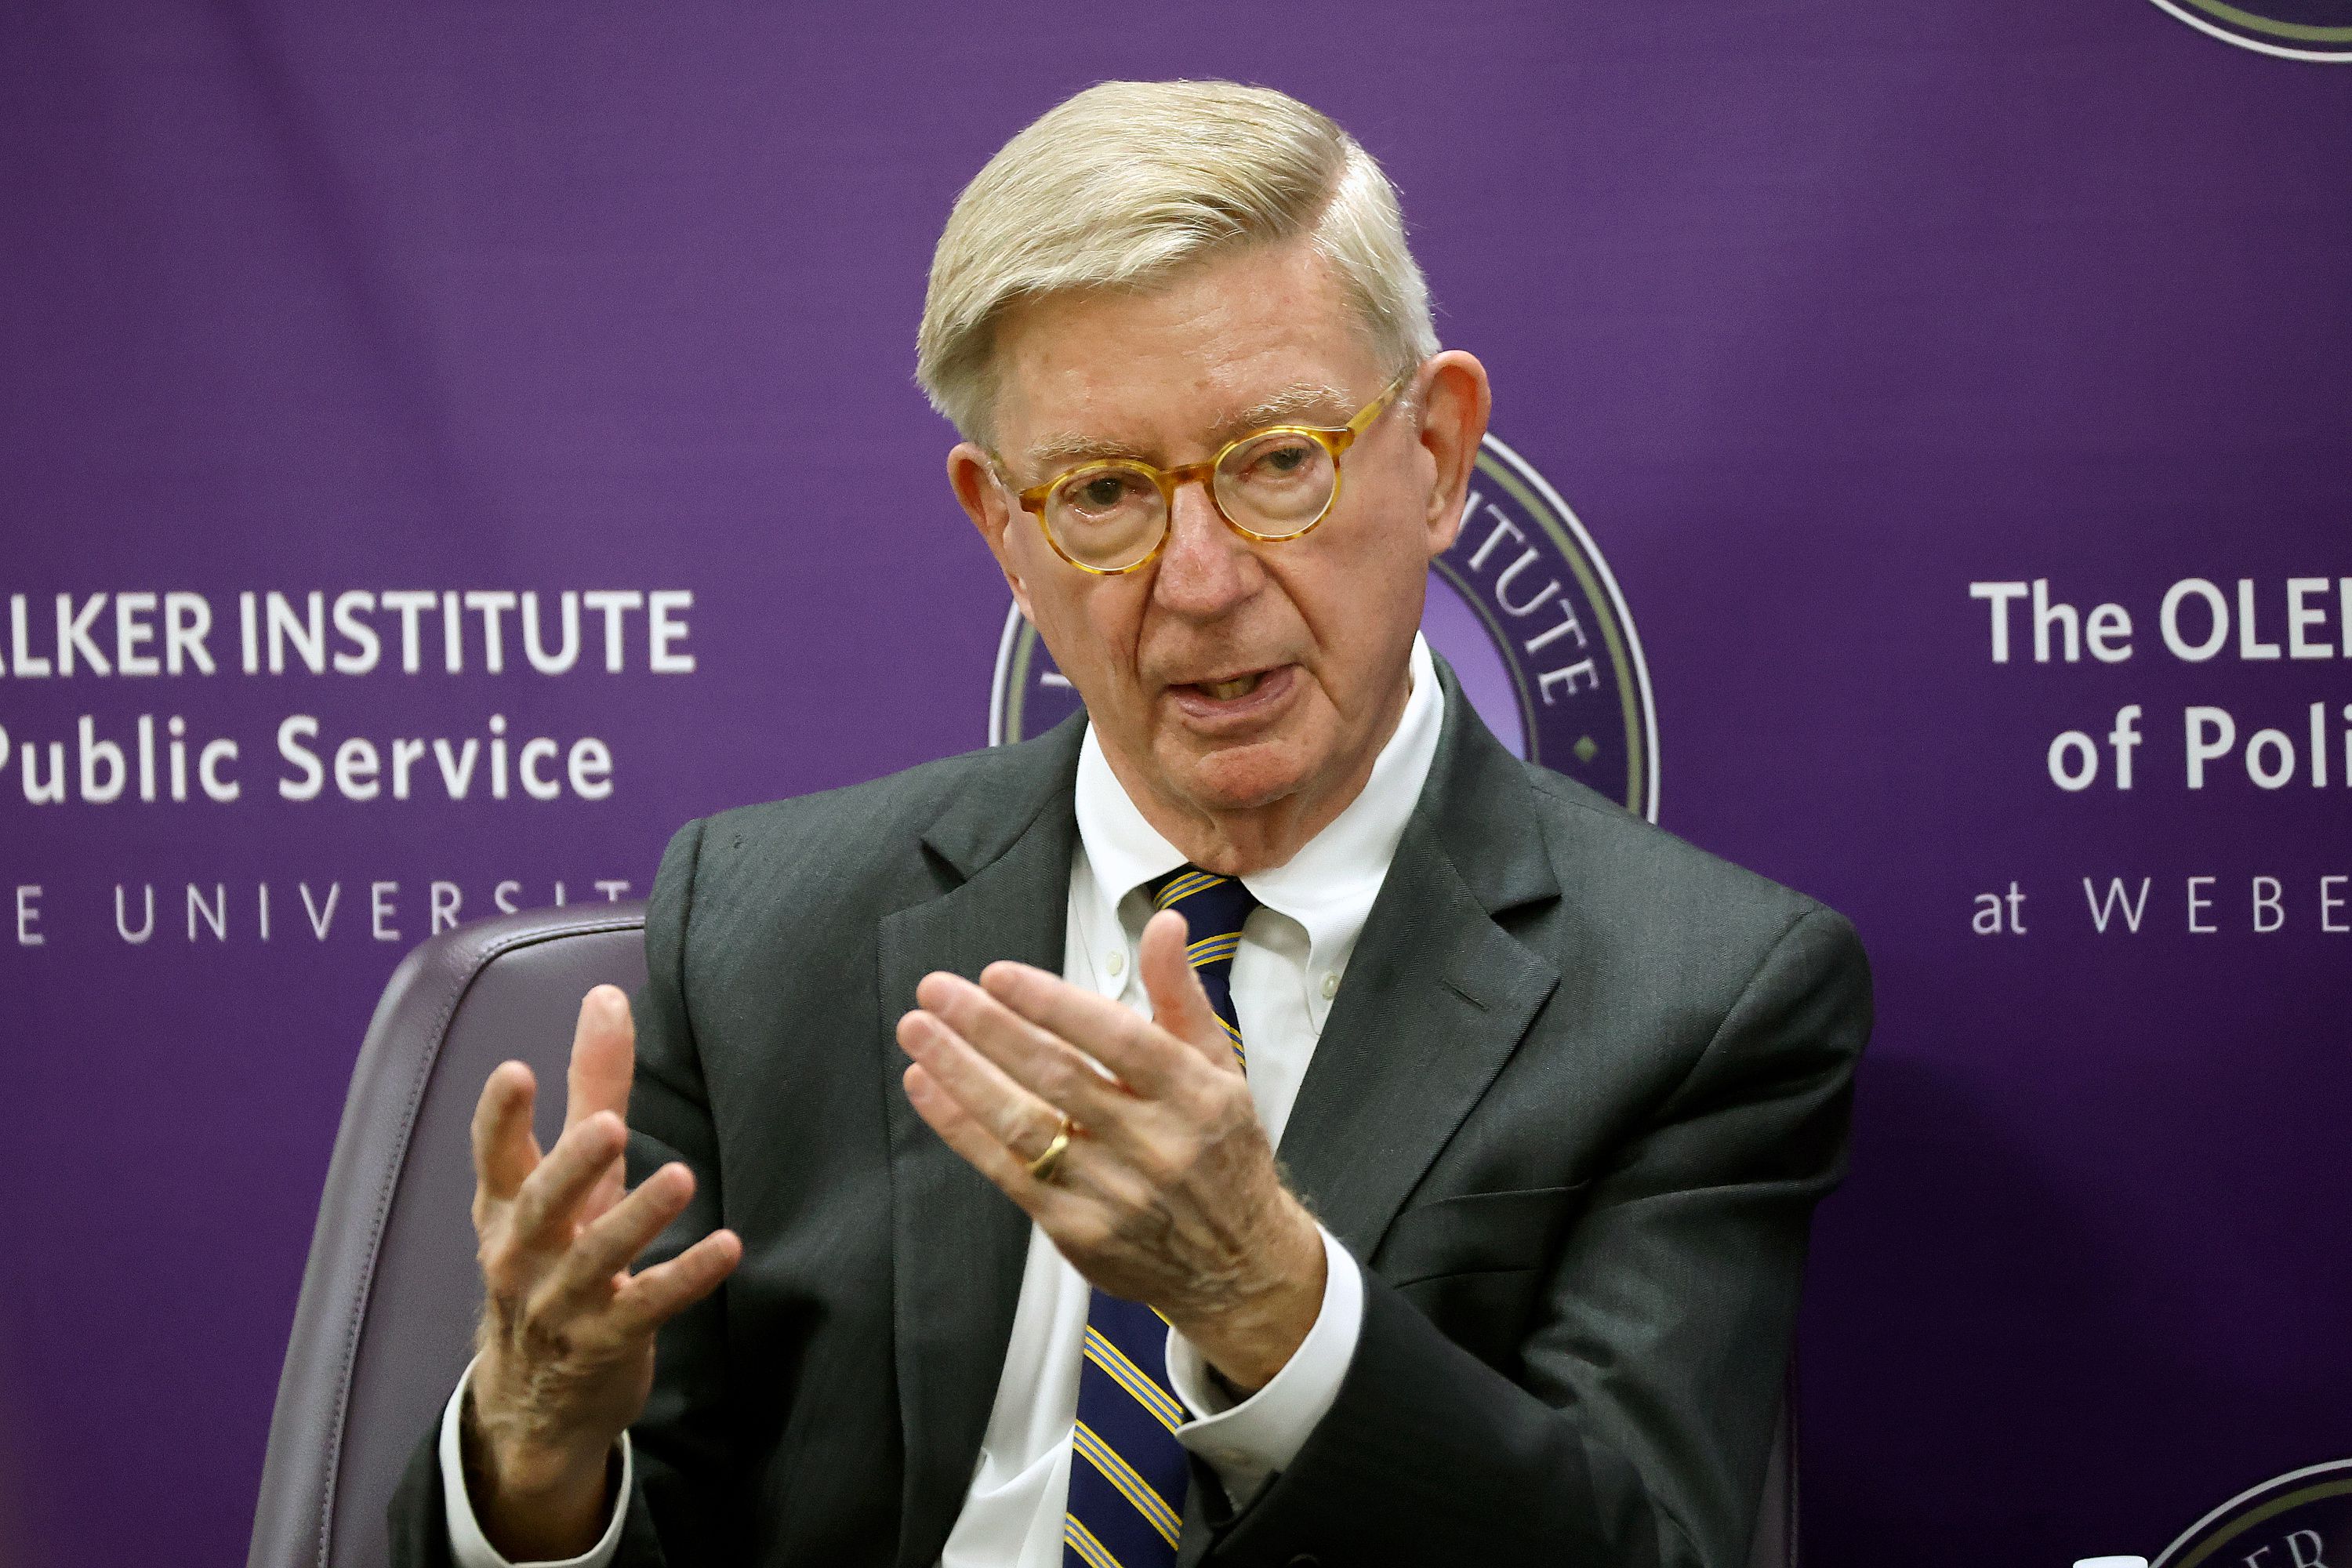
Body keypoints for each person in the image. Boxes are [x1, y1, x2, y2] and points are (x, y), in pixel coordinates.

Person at [390, 78, 1871, 1568]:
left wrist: (1268, 1301)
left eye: (1280, 461)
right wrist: (536, 1461)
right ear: (1004, 531)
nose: (1205, 577)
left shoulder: (1703, 993)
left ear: (1436, 452)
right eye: (1104, 493)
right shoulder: (764, 923)